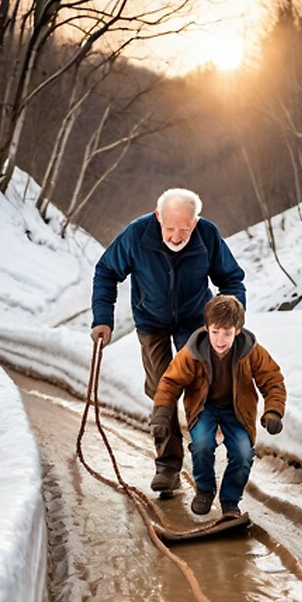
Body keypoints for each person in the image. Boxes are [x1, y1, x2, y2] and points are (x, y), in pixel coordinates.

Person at [91, 189, 247, 495]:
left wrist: (230, 319)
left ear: (195, 222)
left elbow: (231, 279)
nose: (176, 237)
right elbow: (106, 272)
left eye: (184, 230)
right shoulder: (137, 234)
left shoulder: (207, 235)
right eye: (170, 229)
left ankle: (207, 462)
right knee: (164, 388)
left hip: (195, 319)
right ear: (158, 216)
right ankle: (168, 466)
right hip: (152, 323)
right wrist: (102, 319)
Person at [148, 296, 286, 517]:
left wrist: (274, 410)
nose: (220, 340)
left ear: (238, 331)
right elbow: (170, 382)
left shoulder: (251, 351)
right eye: (215, 332)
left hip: (237, 409)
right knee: (202, 445)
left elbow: (272, 380)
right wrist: (162, 415)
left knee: (242, 453)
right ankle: (204, 490)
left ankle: (230, 501)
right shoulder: (193, 352)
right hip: (204, 408)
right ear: (207, 328)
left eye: (227, 333)